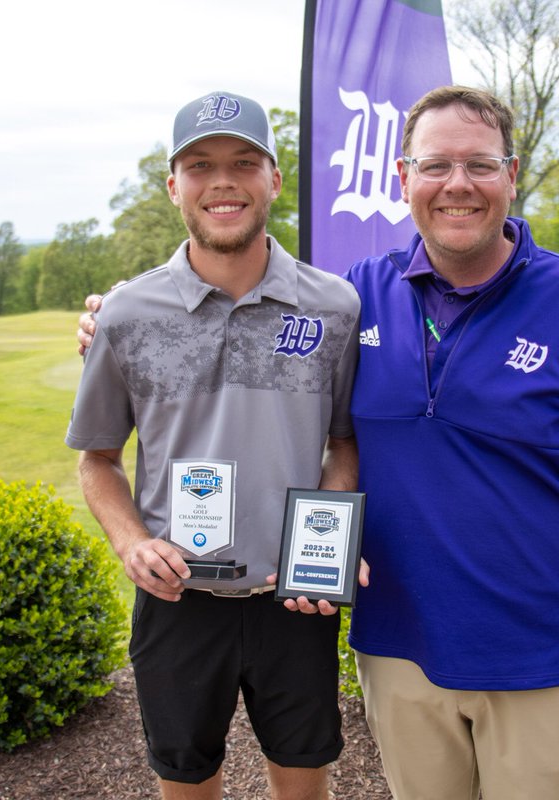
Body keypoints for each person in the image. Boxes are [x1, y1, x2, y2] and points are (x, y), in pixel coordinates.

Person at [80, 86, 559, 800]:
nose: (457, 184)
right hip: (397, 651)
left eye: (480, 165)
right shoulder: (359, 296)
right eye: (435, 165)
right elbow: (223, 342)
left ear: (511, 175)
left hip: (534, 656)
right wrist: (114, 315)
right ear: (403, 179)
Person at [65, 89, 362, 800]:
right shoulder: (128, 315)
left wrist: (322, 548)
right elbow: (97, 459)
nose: (222, 181)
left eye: (243, 161)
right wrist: (132, 542)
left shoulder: (333, 306)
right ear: (174, 187)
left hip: (291, 602)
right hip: (177, 602)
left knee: (304, 783)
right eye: (199, 165)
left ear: (274, 180)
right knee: (188, 780)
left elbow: (343, 445)